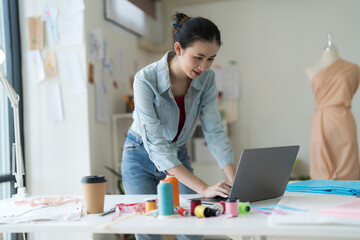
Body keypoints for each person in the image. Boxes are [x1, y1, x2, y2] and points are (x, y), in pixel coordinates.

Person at [121, 12, 236, 240]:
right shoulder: (145, 80)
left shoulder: (207, 79)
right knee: (148, 230)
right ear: (179, 48)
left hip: (177, 151)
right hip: (140, 154)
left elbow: (214, 131)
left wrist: (236, 183)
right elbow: (155, 143)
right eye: (199, 57)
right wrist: (204, 188)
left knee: (194, 228)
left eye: (211, 59)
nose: (204, 66)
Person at [305, 37, 360, 180]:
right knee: (320, 174)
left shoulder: (353, 69)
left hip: (343, 120)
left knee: (348, 171)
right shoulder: (311, 70)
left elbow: (351, 90)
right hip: (321, 121)